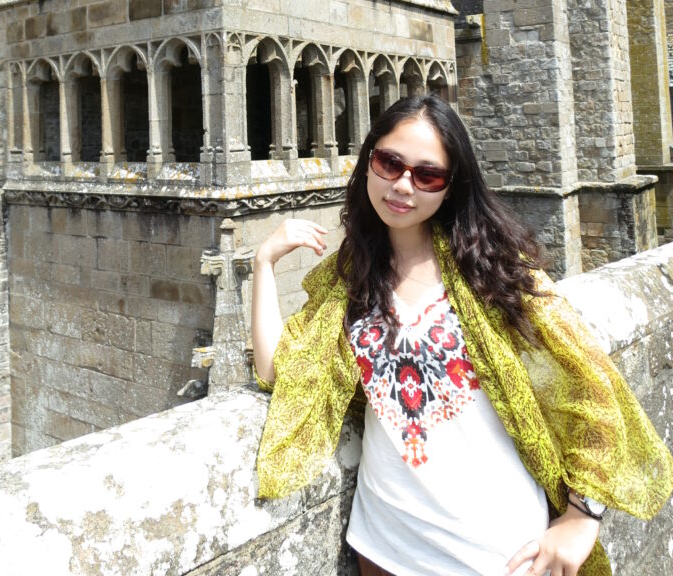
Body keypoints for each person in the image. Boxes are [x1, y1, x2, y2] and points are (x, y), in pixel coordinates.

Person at [251, 95, 673, 576]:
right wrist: (263, 262)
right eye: (390, 163)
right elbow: (279, 371)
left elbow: (593, 386)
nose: (403, 185)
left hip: (496, 551)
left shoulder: (494, 271)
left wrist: (582, 514)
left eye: (426, 174)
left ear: (450, 187)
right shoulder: (348, 278)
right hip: (384, 544)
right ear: (369, 162)